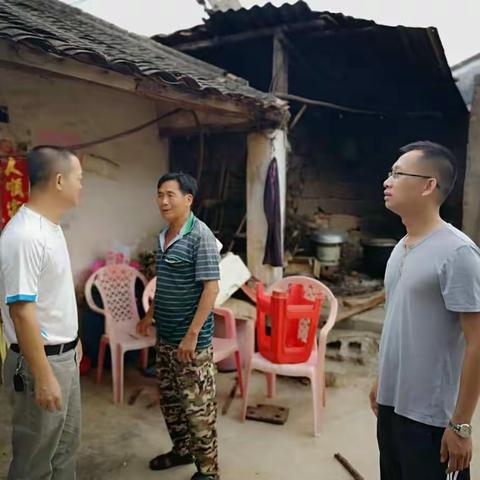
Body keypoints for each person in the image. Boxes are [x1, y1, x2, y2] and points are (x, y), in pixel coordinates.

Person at [370, 141, 480, 480]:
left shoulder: (457, 253)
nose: (387, 181)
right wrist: (381, 380)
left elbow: (477, 340)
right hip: (391, 406)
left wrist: (461, 424)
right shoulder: (401, 248)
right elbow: (398, 324)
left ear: (428, 185)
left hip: (431, 418)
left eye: (398, 173)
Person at [0, 146, 83, 479]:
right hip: (41, 362)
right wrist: (44, 375)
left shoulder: (50, 226)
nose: (82, 186)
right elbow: (22, 312)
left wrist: (72, 340)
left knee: (64, 449)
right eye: (80, 178)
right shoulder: (25, 235)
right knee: (34, 459)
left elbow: (52, 296)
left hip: (63, 357)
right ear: (59, 180)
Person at [137, 172, 220, 480]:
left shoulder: (201, 236)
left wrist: (191, 336)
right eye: (160, 194)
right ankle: (181, 450)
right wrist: (150, 315)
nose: (163, 201)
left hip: (191, 345)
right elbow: (166, 283)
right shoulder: (164, 236)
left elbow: (211, 289)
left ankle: (208, 471)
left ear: (188, 199)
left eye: (170, 194)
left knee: (198, 409)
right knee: (172, 404)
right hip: (167, 339)